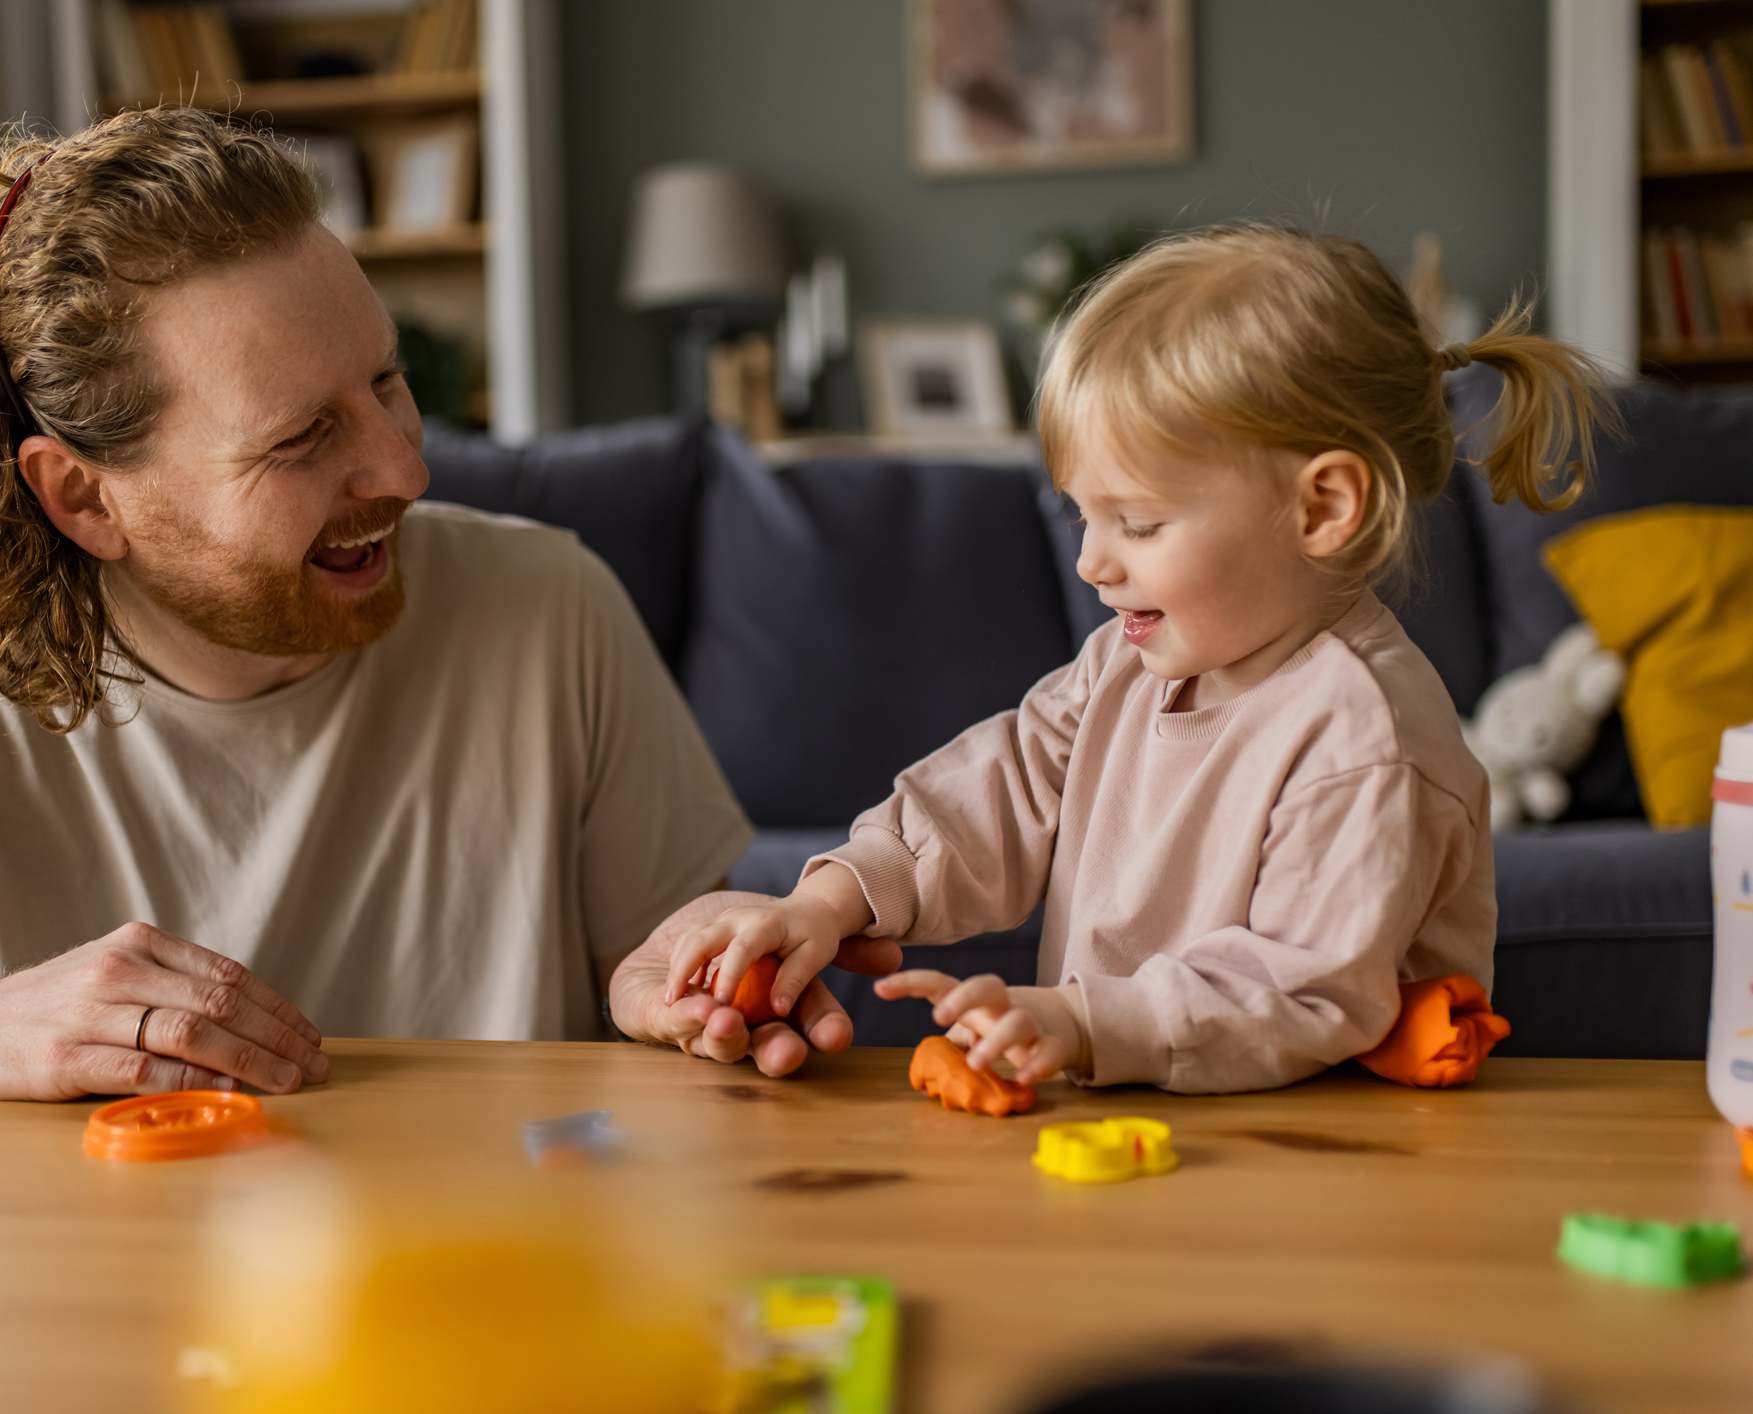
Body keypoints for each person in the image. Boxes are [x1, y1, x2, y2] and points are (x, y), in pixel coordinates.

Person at [0, 109, 881, 1228]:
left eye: (387, 383)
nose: (404, 471)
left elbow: (669, 1002)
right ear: (84, 497)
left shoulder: (548, 605)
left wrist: (709, 997)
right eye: (304, 436)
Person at [660, 224, 1618, 1095]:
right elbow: (996, 790)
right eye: (1084, 515)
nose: (1091, 561)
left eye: (1140, 522)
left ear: (1321, 507)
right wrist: (832, 899)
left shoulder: (1363, 734)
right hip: (1138, 1119)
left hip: (1318, 1156)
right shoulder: (1124, 664)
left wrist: (1082, 1021)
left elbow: (1302, 984)